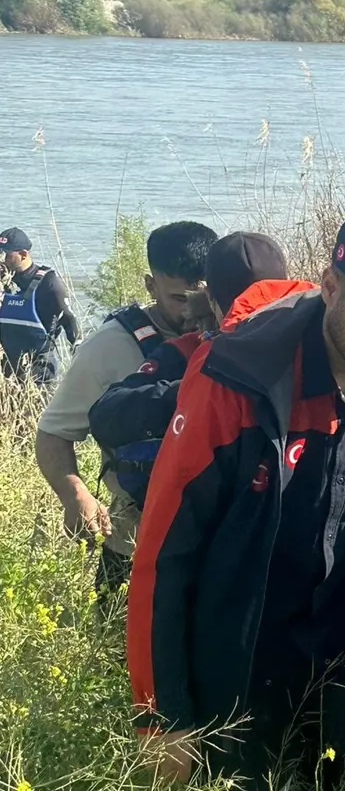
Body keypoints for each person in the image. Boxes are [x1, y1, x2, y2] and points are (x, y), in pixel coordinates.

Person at [126, 205, 345, 791]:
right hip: (249, 637)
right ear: (331, 287)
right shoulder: (234, 379)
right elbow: (165, 550)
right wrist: (160, 713)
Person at [35, 221, 216, 597]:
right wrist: (76, 496)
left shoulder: (236, 334)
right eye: (178, 298)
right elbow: (53, 431)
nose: (191, 311)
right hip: (133, 538)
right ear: (150, 286)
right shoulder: (110, 346)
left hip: (215, 542)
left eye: (204, 296)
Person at [88, 231, 301, 507]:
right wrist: (196, 393)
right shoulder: (190, 352)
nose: (252, 323)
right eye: (243, 311)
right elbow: (107, 413)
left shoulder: (315, 346)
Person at [0, 227, 79, 384]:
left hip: (40, 367)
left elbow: (69, 319)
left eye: (7, 255)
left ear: (23, 254)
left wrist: (79, 354)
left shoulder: (48, 283)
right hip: (7, 365)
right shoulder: (3, 282)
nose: (2, 260)